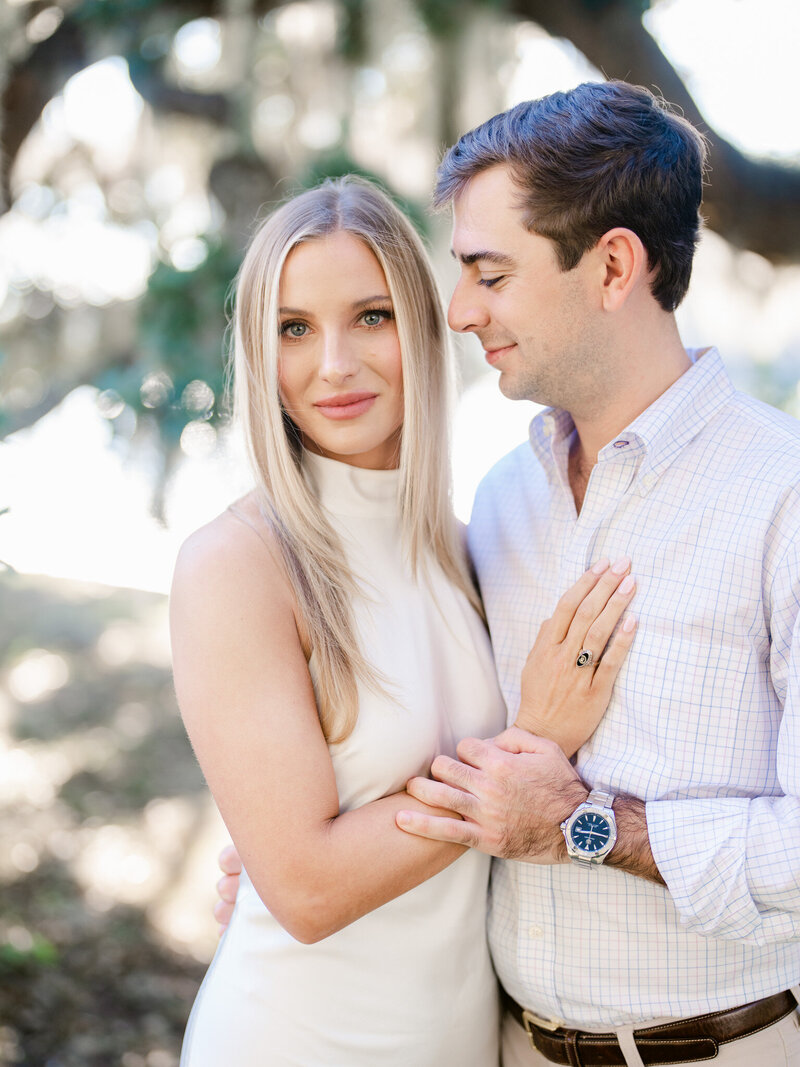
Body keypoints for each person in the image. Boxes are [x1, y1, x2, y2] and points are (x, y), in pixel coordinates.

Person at [171, 174, 637, 1066]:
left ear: (424, 327)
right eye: (293, 328)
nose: (334, 363)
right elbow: (306, 890)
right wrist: (530, 739)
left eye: (371, 316)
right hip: (293, 1039)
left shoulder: (473, 549)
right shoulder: (236, 563)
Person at [392, 81, 800, 1066]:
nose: (456, 311)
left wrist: (584, 824)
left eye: (488, 274)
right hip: (503, 1043)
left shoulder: (781, 493)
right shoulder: (499, 499)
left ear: (613, 264)